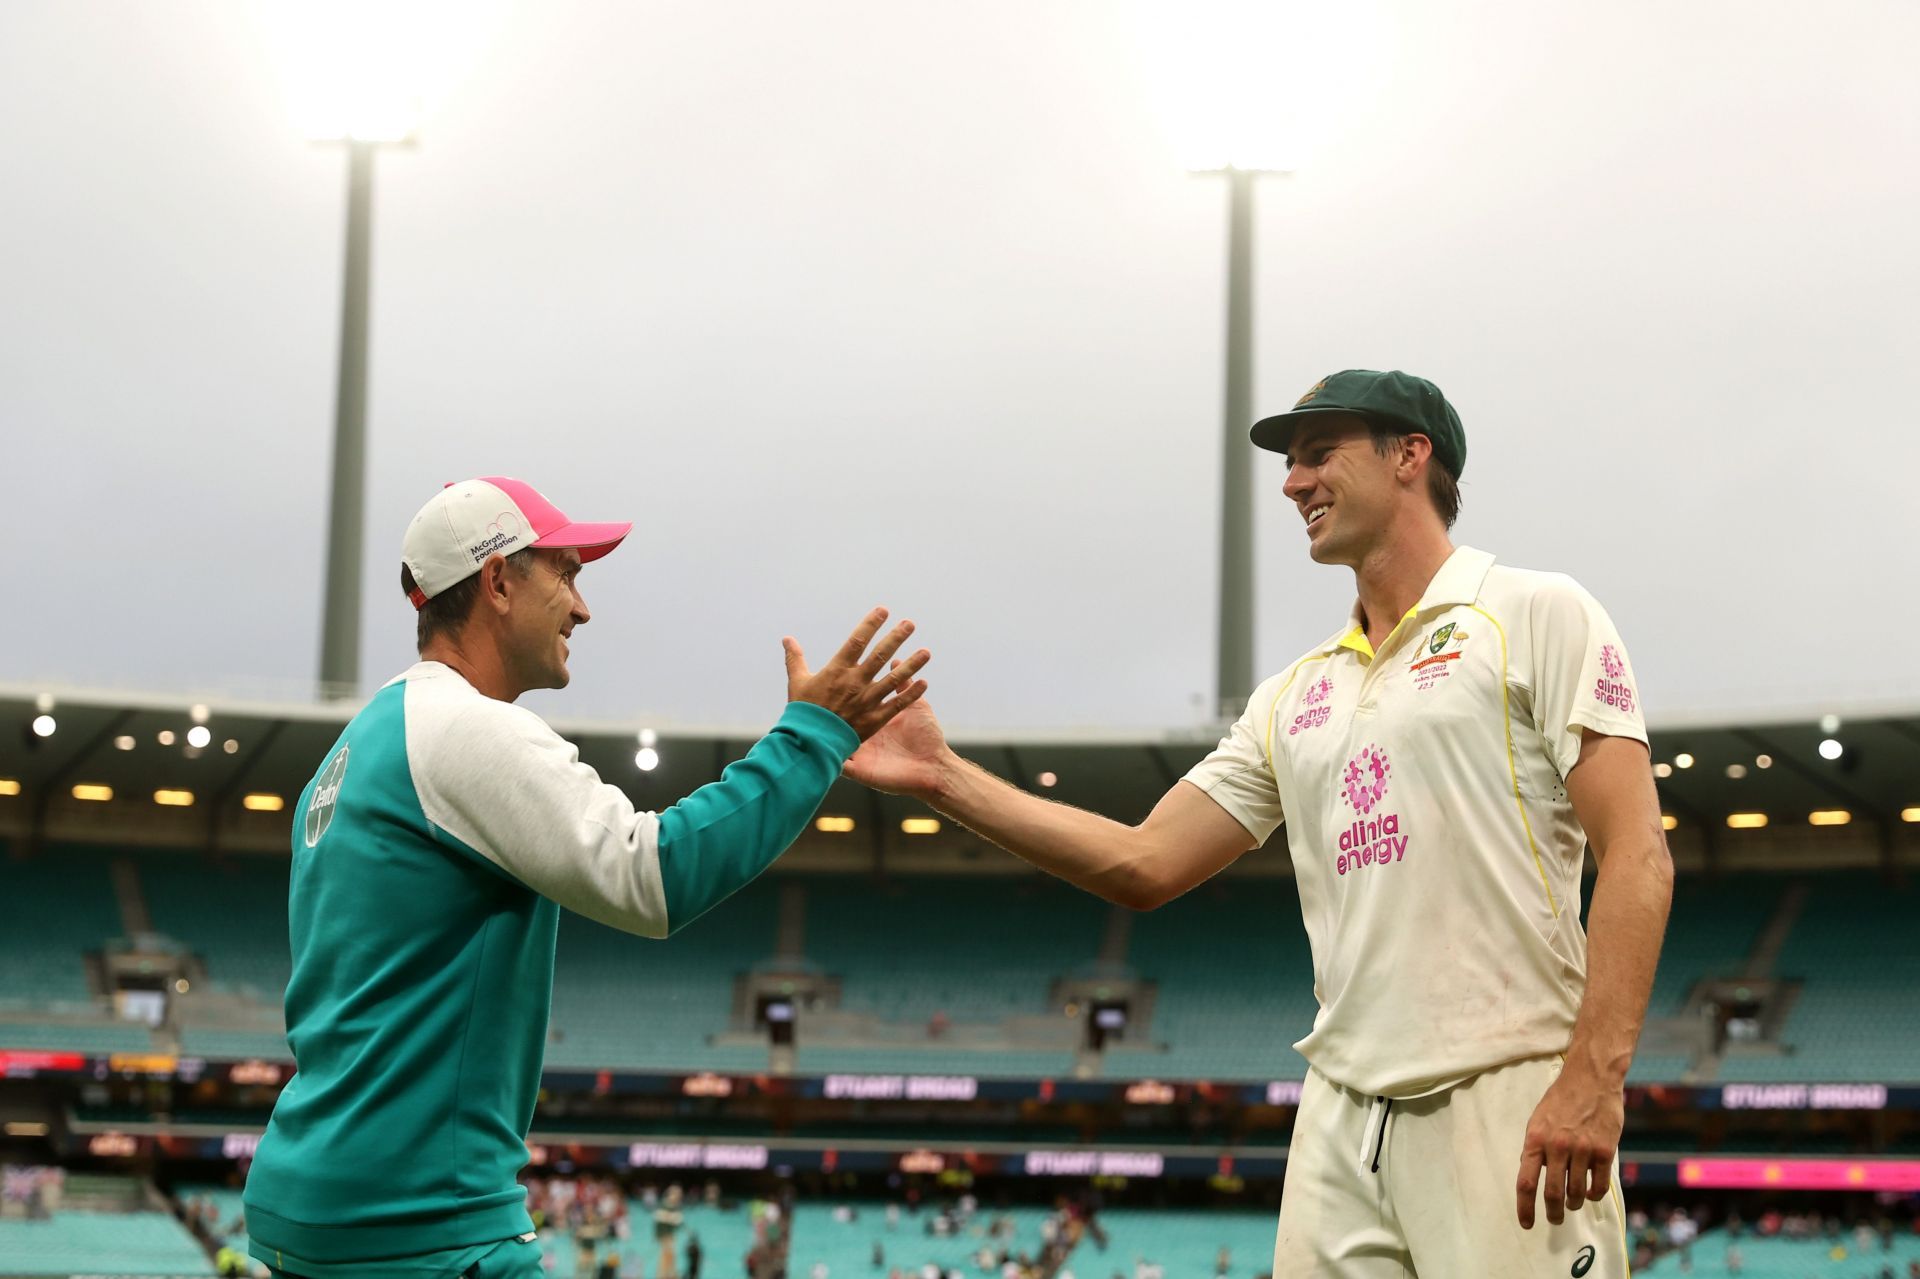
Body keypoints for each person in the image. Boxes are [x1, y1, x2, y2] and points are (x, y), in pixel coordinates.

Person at [844, 371, 1673, 1277]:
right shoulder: (1294, 694)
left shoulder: (1534, 612)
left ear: (1410, 455)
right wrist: (943, 777)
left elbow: (1635, 853)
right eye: (1289, 462)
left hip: (1507, 1091)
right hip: (1340, 1112)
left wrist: (1593, 1079)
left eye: (1320, 454)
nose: (1291, 483)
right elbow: (1143, 861)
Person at [243, 476, 930, 1278]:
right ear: (498, 580)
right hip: (422, 1220)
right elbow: (653, 874)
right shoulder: (462, 728)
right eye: (564, 573)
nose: (582, 606)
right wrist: (815, 733)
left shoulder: (353, 749)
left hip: (311, 1204)